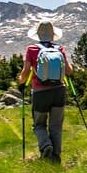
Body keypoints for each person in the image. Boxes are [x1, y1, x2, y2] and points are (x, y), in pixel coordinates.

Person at [16, 21, 74, 164]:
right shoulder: (59, 49)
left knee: (39, 124)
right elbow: (69, 71)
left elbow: (25, 72)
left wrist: (21, 82)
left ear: (38, 35)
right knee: (56, 126)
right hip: (59, 91)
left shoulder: (32, 49)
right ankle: (56, 156)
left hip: (40, 92)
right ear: (53, 34)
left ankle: (45, 145)